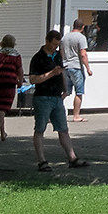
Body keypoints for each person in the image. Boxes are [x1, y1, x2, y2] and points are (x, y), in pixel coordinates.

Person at [29, 28, 87, 169]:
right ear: (47, 41)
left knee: (63, 129)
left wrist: (65, 88)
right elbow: (33, 79)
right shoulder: (38, 58)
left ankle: (72, 158)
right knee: (40, 129)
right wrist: (50, 73)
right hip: (43, 97)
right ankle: (42, 161)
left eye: (57, 45)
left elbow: (61, 71)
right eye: (53, 44)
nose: (55, 47)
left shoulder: (57, 56)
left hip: (56, 97)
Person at [0, 34, 24, 143]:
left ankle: (3, 133)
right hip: (9, 84)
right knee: (2, 110)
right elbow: (20, 71)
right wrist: (20, 82)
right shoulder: (16, 56)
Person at [61, 19, 91, 121]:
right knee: (79, 92)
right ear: (82, 27)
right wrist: (88, 68)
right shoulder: (81, 38)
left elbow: (61, 52)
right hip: (76, 67)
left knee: (65, 92)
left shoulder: (65, 37)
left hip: (65, 67)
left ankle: (52, 111)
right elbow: (83, 54)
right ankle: (76, 116)